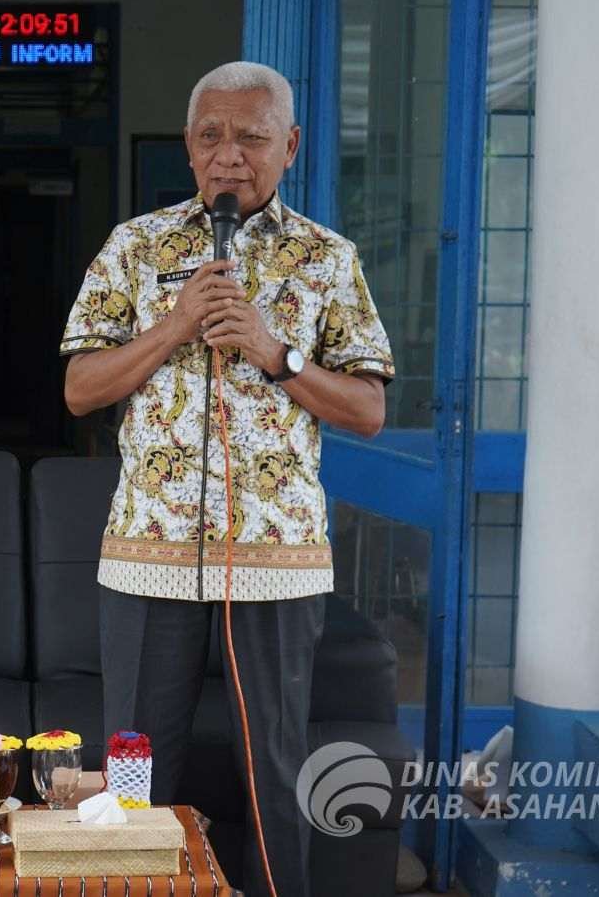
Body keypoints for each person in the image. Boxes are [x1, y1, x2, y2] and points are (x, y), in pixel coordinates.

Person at [60, 61, 394, 896]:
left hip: (276, 553)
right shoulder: (135, 247)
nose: (229, 155)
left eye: (251, 137)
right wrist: (174, 326)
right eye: (210, 136)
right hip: (150, 548)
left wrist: (275, 353)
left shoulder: (327, 258)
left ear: (291, 145)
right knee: (135, 770)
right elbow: (79, 390)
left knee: (275, 771)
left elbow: (367, 410)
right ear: (188, 146)